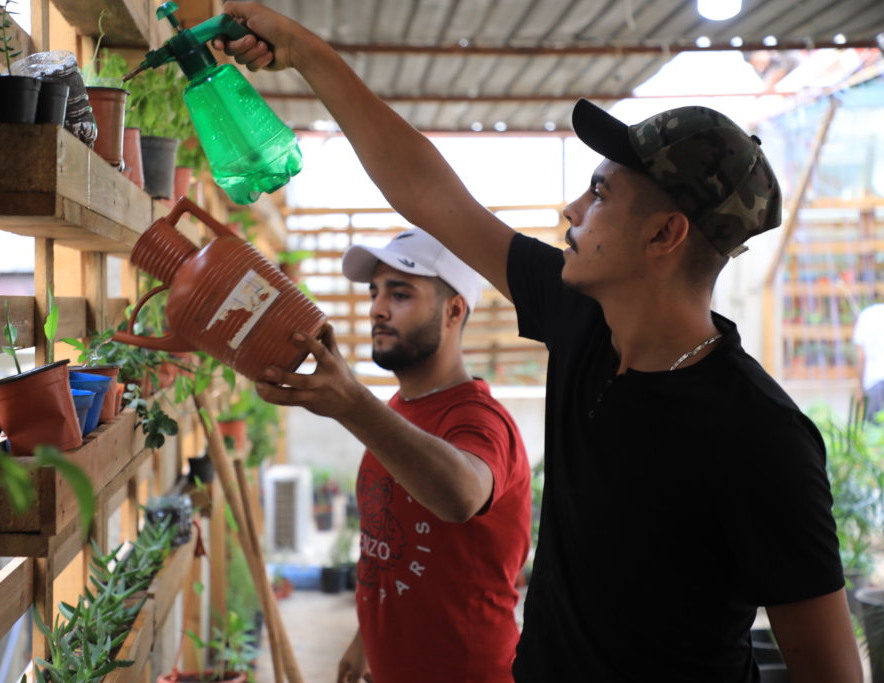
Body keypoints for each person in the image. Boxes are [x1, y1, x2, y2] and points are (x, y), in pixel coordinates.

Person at [215, 4, 864, 681]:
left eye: (600, 195)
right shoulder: (583, 318)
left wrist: (351, 401)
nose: (571, 213)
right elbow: (429, 192)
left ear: (664, 235)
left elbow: (831, 668)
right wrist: (308, 52)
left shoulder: (760, 436)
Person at [256, 228, 531, 682]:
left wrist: (352, 404)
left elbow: (462, 495)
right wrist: (366, 637)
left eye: (400, 294)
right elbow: (390, 555)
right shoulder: (399, 412)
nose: (377, 309)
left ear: (453, 311)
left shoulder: (478, 419)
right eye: (374, 292)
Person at [854, 301, 884, 423]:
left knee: (874, 432)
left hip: (873, 382)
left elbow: (861, 356)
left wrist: (859, 387)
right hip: (874, 382)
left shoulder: (866, 316)